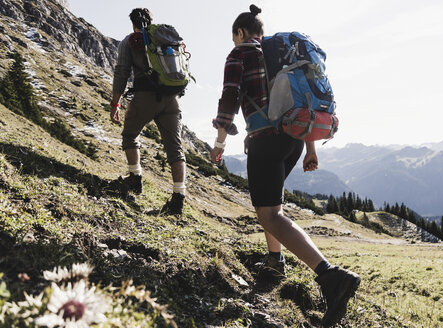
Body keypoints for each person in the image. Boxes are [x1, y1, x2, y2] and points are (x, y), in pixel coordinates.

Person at [210, 5, 360, 327]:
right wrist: (310, 148)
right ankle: (275, 261)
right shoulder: (281, 53)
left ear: (239, 32)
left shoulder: (240, 53)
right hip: (293, 137)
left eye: (234, 36)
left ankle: (331, 276)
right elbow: (297, 102)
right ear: (261, 32)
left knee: (269, 214)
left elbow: (229, 98)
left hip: (266, 140)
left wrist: (220, 143)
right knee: (273, 207)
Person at [110, 8, 186, 215]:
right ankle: (178, 199)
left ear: (132, 23)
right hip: (172, 98)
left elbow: (122, 71)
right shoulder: (166, 38)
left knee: (129, 135)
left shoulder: (130, 40)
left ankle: (135, 179)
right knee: (175, 148)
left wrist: (115, 103)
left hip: (145, 96)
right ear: (153, 20)